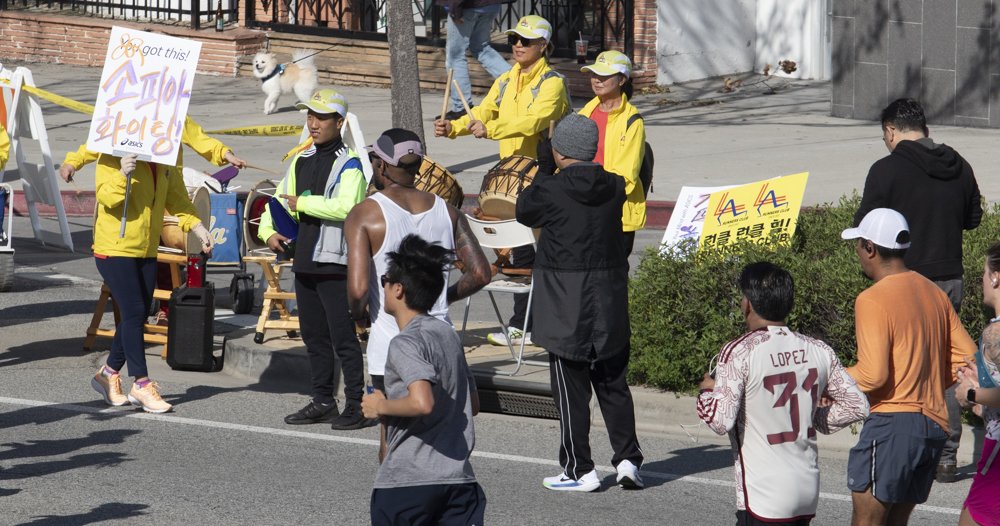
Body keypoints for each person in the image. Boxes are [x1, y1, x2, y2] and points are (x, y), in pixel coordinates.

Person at [854, 98, 983, 482]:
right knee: (947, 363)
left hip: (902, 278)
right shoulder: (958, 164)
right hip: (949, 277)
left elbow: (866, 228)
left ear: (891, 130)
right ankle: (945, 454)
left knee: (896, 359)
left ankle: (905, 440)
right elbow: (973, 219)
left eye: (884, 136)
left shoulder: (886, 170)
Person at [515, 113, 642, 492]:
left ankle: (579, 469)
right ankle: (628, 460)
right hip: (609, 299)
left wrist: (541, 167)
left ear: (560, 151)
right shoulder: (616, 186)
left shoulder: (550, 190)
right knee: (613, 384)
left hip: (565, 302)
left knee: (570, 390)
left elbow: (524, 210)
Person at [697, 262, 870, 525]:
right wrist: (816, 418)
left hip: (763, 495)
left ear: (747, 304)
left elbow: (720, 421)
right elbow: (858, 405)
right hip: (807, 488)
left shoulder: (739, 350)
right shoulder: (818, 348)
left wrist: (706, 393)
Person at [434, 14, 570, 348]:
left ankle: (536, 325)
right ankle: (522, 324)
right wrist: (455, 127)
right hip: (512, 173)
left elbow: (532, 120)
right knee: (521, 252)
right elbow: (483, 111)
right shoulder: (508, 79)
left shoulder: (552, 82)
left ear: (544, 46)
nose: (518, 46)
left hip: (544, 174)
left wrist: (491, 129)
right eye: (514, 40)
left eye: (525, 41)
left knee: (538, 253)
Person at [841, 208, 976, 526]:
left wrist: (829, 378)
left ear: (870, 248)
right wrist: (923, 376)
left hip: (892, 426)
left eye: (859, 245)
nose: (858, 253)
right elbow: (967, 358)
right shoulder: (933, 292)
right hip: (933, 428)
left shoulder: (871, 299)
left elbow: (873, 375)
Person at [60, 116, 247, 326]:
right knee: (139, 260)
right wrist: (73, 162)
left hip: (168, 188)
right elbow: (101, 141)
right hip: (137, 190)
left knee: (166, 253)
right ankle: (132, 315)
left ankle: (162, 309)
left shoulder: (173, 113)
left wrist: (225, 154)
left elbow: (197, 137)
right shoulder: (128, 114)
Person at [344, 128, 490, 394]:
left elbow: (358, 290)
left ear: (381, 164)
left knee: (394, 433)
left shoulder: (364, 214)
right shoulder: (448, 211)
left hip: (390, 349)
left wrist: (358, 316)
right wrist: (443, 297)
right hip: (442, 343)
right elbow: (481, 274)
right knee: (445, 429)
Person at [258, 88, 371, 430]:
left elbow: (349, 207)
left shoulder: (351, 163)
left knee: (343, 338)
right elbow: (279, 200)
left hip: (335, 263)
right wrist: (268, 232)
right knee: (313, 335)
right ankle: (323, 400)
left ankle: (356, 405)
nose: (313, 122)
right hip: (304, 258)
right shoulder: (301, 160)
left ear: (340, 122)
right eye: (309, 115)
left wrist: (303, 204)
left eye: (321, 116)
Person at [360, 234, 485, 525]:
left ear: (399, 290)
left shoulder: (405, 343)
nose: (384, 287)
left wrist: (380, 406)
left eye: (385, 281)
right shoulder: (448, 335)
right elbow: (474, 404)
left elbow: (422, 402)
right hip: (458, 480)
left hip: (409, 484)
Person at [88, 153, 214, 413]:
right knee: (134, 312)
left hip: (146, 249)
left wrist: (198, 228)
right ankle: (141, 383)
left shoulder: (165, 155)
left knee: (139, 313)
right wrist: (123, 173)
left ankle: (108, 373)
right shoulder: (112, 153)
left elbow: (177, 198)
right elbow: (106, 198)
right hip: (113, 248)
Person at [578, 50, 646, 256]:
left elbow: (626, 176)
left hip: (615, 212)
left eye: (604, 76)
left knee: (611, 279)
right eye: (594, 74)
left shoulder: (632, 121)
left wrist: (593, 195)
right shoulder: (584, 114)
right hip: (583, 207)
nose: (597, 80)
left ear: (622, 80)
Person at [954, 242, 1000, 526]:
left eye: (984, 273)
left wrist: (971, 392)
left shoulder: (995, 332)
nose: (982, 280)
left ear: (997, 277)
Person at [436, 0, 512, 120]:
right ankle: (514, 80)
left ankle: (462, 107)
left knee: (456, 56)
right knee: (481, 48)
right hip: (489, 5)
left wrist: (455, 9)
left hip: (467, 6)